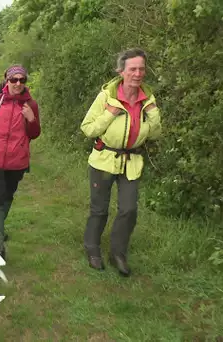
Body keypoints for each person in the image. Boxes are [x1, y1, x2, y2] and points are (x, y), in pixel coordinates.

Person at [80, 48, 162, 276]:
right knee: (99, 209)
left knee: (129, 209)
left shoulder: (148, 100)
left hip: (132, 161)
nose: (137, 73)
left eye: (141, 69)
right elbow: (87, 128)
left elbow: (155, 134)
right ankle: (92, 248)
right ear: (121, 71)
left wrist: (154, 115)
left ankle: (118, 253)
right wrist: (110, 114)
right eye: (132, 69)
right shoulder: (106, 97)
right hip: (104, 159)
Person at [0, 65, 41, 259]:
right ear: (6, 80)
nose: (18, 83)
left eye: (22, 80)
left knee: (8, 197)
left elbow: (34, 134)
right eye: (14, 80)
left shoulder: (30, 105)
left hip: (17, 161)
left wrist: (31, 119)